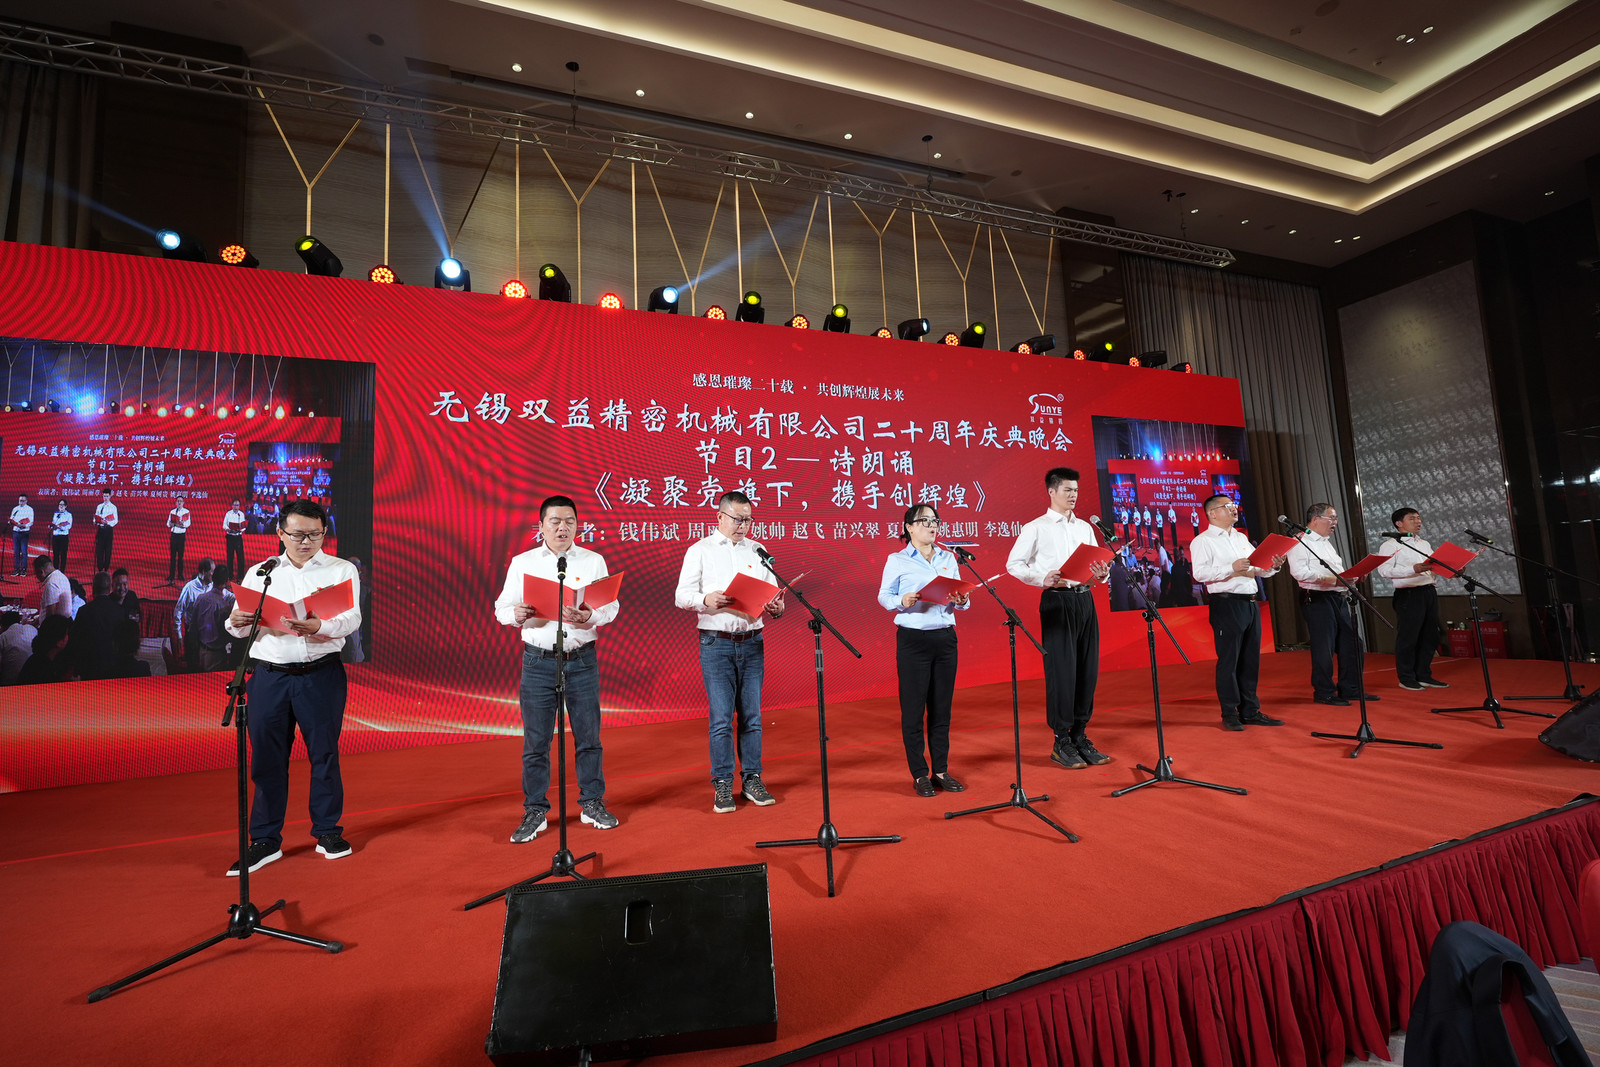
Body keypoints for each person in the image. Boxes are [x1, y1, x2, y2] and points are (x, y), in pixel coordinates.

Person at [222, 500, 361, 876]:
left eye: (315, 534)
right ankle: (265, 840)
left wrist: (321, 627)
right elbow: (236, 626)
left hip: (321, 675)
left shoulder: (340, 569)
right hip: (270, 677)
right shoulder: (262, 572)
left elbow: (351, 618)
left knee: (324, 754)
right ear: (280, 533)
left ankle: (328, 832)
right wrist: (237, 621)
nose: (306, 542)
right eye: (298, 534)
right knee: (267, 759)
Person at [493, 496, 620, 844]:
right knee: (536, 742)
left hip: (581, 660)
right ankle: (535, 809)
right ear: (541, 526)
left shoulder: (593, 560)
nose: (563, 528)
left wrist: (590, 615)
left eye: (569, 521)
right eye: (555, 521)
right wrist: (516, 614)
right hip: (538, 661)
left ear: (577, 525)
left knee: (589, 737)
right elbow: (501, 608)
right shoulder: (523, 563)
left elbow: (611, 606)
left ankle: (592, 802)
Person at [673, 490, 784, 814]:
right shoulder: (700, 550)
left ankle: (752, 779)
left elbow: (771, 596)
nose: (743, 525)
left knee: (752, 717)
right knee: (721, 719)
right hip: (716, 643)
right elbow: (681, 595)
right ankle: (722, 782)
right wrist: (706, 600)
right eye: (738, 519)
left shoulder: (759, 551)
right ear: (720, 517)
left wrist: (776, 607)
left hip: (752, 641)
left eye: (748, 520)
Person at [1006, 467, 1113, 769]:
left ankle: (1080, 736)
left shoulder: (1084, 527)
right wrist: (1042, 577)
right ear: (1051, 491)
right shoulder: (1036, 527)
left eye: (1076, 490)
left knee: (1087, 670)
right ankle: (1061, 741)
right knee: (1062, 671)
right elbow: (1014, 564)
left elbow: (1094, 565)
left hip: (1085, 599)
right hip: (1057, 600)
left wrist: (1102, 575)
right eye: (1067, 490)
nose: (1073, 495)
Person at [877, 504, 970, 796]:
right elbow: (884, 596)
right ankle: (919, 773)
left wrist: (961, 600)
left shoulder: (948, 557)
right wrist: (901, 601)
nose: (932, 526)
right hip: (913, 641)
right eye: (925, 521)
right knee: (914, 710)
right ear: (909, 527)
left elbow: (961, 598)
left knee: (942, 709)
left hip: (945, 639)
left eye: (935, 521)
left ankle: (940, 770)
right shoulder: (898, 560)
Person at [1189, 494, 1286, 731]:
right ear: (1212, 513)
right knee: (1229, 661)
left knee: (1250, 660)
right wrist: (1230, 568)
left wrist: (1273, 566)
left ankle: (1250, 710)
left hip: (1251, 603)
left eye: (1234, 505)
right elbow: (1200, 574)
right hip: (1226, 604)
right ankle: (1229, 712)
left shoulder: (1241, 537)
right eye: (1228, 506)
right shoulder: (1203, 541)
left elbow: (1257, 567)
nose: (1234, 509)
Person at [1286, 503, 1378, 706]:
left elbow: (1336, 573)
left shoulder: (1326, 543)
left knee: (1352, 643)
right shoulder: (1299, 541)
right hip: (1316, 598)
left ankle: (1351, 688)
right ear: (1315, 519)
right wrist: (1333, 580)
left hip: (1338, 597)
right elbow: (1300, 573)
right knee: (1324, 647)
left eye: (1336, 518)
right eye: (1332, 518)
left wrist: (1353, 577)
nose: (1335, 522)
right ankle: (1324, 692)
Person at [1377, 507, 1449, 691]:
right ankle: (1406, 677)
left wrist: (1453, 571)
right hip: (1408, 594)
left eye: (1419, 518)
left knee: (1430, 636)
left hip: (1428, 591)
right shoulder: (1390, 545)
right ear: (1398, 523)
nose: (1418, 521)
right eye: (1412, 518)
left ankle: (1423, 675)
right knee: (1409, 637)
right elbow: (1384, 571)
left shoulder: (1424, 543)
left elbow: (1433, 566)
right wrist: (1412, 569)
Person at [71, 571, 122, 680]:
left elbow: (75, 640)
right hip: (113, 667)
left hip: (89, 668)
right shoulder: (119, 611)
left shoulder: (84, 611)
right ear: (110, 588)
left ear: (93, 588)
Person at [190, 566, 237, 671]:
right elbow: (225, 632)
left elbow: (192, 626)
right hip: (215, 656)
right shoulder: (223, 606)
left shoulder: (200, 598)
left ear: (213, 578)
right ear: (227, 581)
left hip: (200, 651)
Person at [172, 558, 215, 670]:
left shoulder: (213, 586)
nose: (214, 574)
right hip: (193, 635)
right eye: (212, 571)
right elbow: (178, 610)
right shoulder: (189, 588)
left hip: (209, 634)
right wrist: (179, 634)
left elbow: (227, 596)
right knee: (193, 667)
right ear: (204, 571)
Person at [16, 613, 72, 685]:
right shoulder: (44, 672)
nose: (68, 637)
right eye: (66, 634)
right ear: (59, 642)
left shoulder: (37, 659)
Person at [1, 610, 39, 685]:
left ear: (3, 626)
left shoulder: (3, 637)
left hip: (10, 684)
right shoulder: (31, 629)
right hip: (36, 678)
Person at [165, 494, 192, 585]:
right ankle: (171, 575)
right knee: (172, 556)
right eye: (178, 501)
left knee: (180, 556)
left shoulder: (186, 512)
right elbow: (168, 523)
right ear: (176, 503)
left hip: (181, 535)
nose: (179, 503)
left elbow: (188, 524)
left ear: (183, 503)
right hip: (174, 534)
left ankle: (180, 574)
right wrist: (170, 524)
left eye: (181, 501)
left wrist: (181, 523)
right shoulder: (172, 511)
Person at [93, 488, 118, 571]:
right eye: (104, 496)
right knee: (99, 550)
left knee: (108, 551)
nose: (105, 498)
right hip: (100, 530)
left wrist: (107, 522)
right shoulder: (99, 506)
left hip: (108, 530)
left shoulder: (113, 507)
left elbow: (115, 520)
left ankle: (106, 569)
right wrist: (96, 521)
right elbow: (95, 518)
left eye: (107, 496)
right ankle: (100, 569)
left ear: (110, 496)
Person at [10, 493, 34, 577]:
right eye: (20, 500)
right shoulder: (15, 509)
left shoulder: (29, 509)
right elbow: (12, 518)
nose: (21, 502)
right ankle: (16, 569)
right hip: (16, 532)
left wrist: (24, 525)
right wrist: (12, 522)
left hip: (24, 532)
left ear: (26, 501)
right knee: (16, 552)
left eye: (23, 501)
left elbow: (31, 521)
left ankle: (24, 569)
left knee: (24, 552)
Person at [223, 498, 247, 580]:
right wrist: (228, 529)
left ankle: (241, 574)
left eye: (237, 505)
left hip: (238, 537)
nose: (236, 507)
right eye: (235, 505)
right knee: (230, 556)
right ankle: (230, 575)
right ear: (232, 505)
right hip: (230, 537)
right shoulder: (228, 514)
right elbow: (224, 525)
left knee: (240, 556)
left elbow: (243, 526)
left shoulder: (241, 514)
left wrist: (241, 529)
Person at [50, 499, 72, 571]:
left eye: (63, 505)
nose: (61, 506)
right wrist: (52, 526)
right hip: (56, 536)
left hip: (63, 537)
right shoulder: (56, 514)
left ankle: (62, 570)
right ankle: (55, 570)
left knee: (63, 554)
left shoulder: (69, 515)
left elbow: (69, 526)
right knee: (55, 554)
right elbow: (53, 522)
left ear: (66, 506)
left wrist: (61, 527)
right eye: (60, 505)